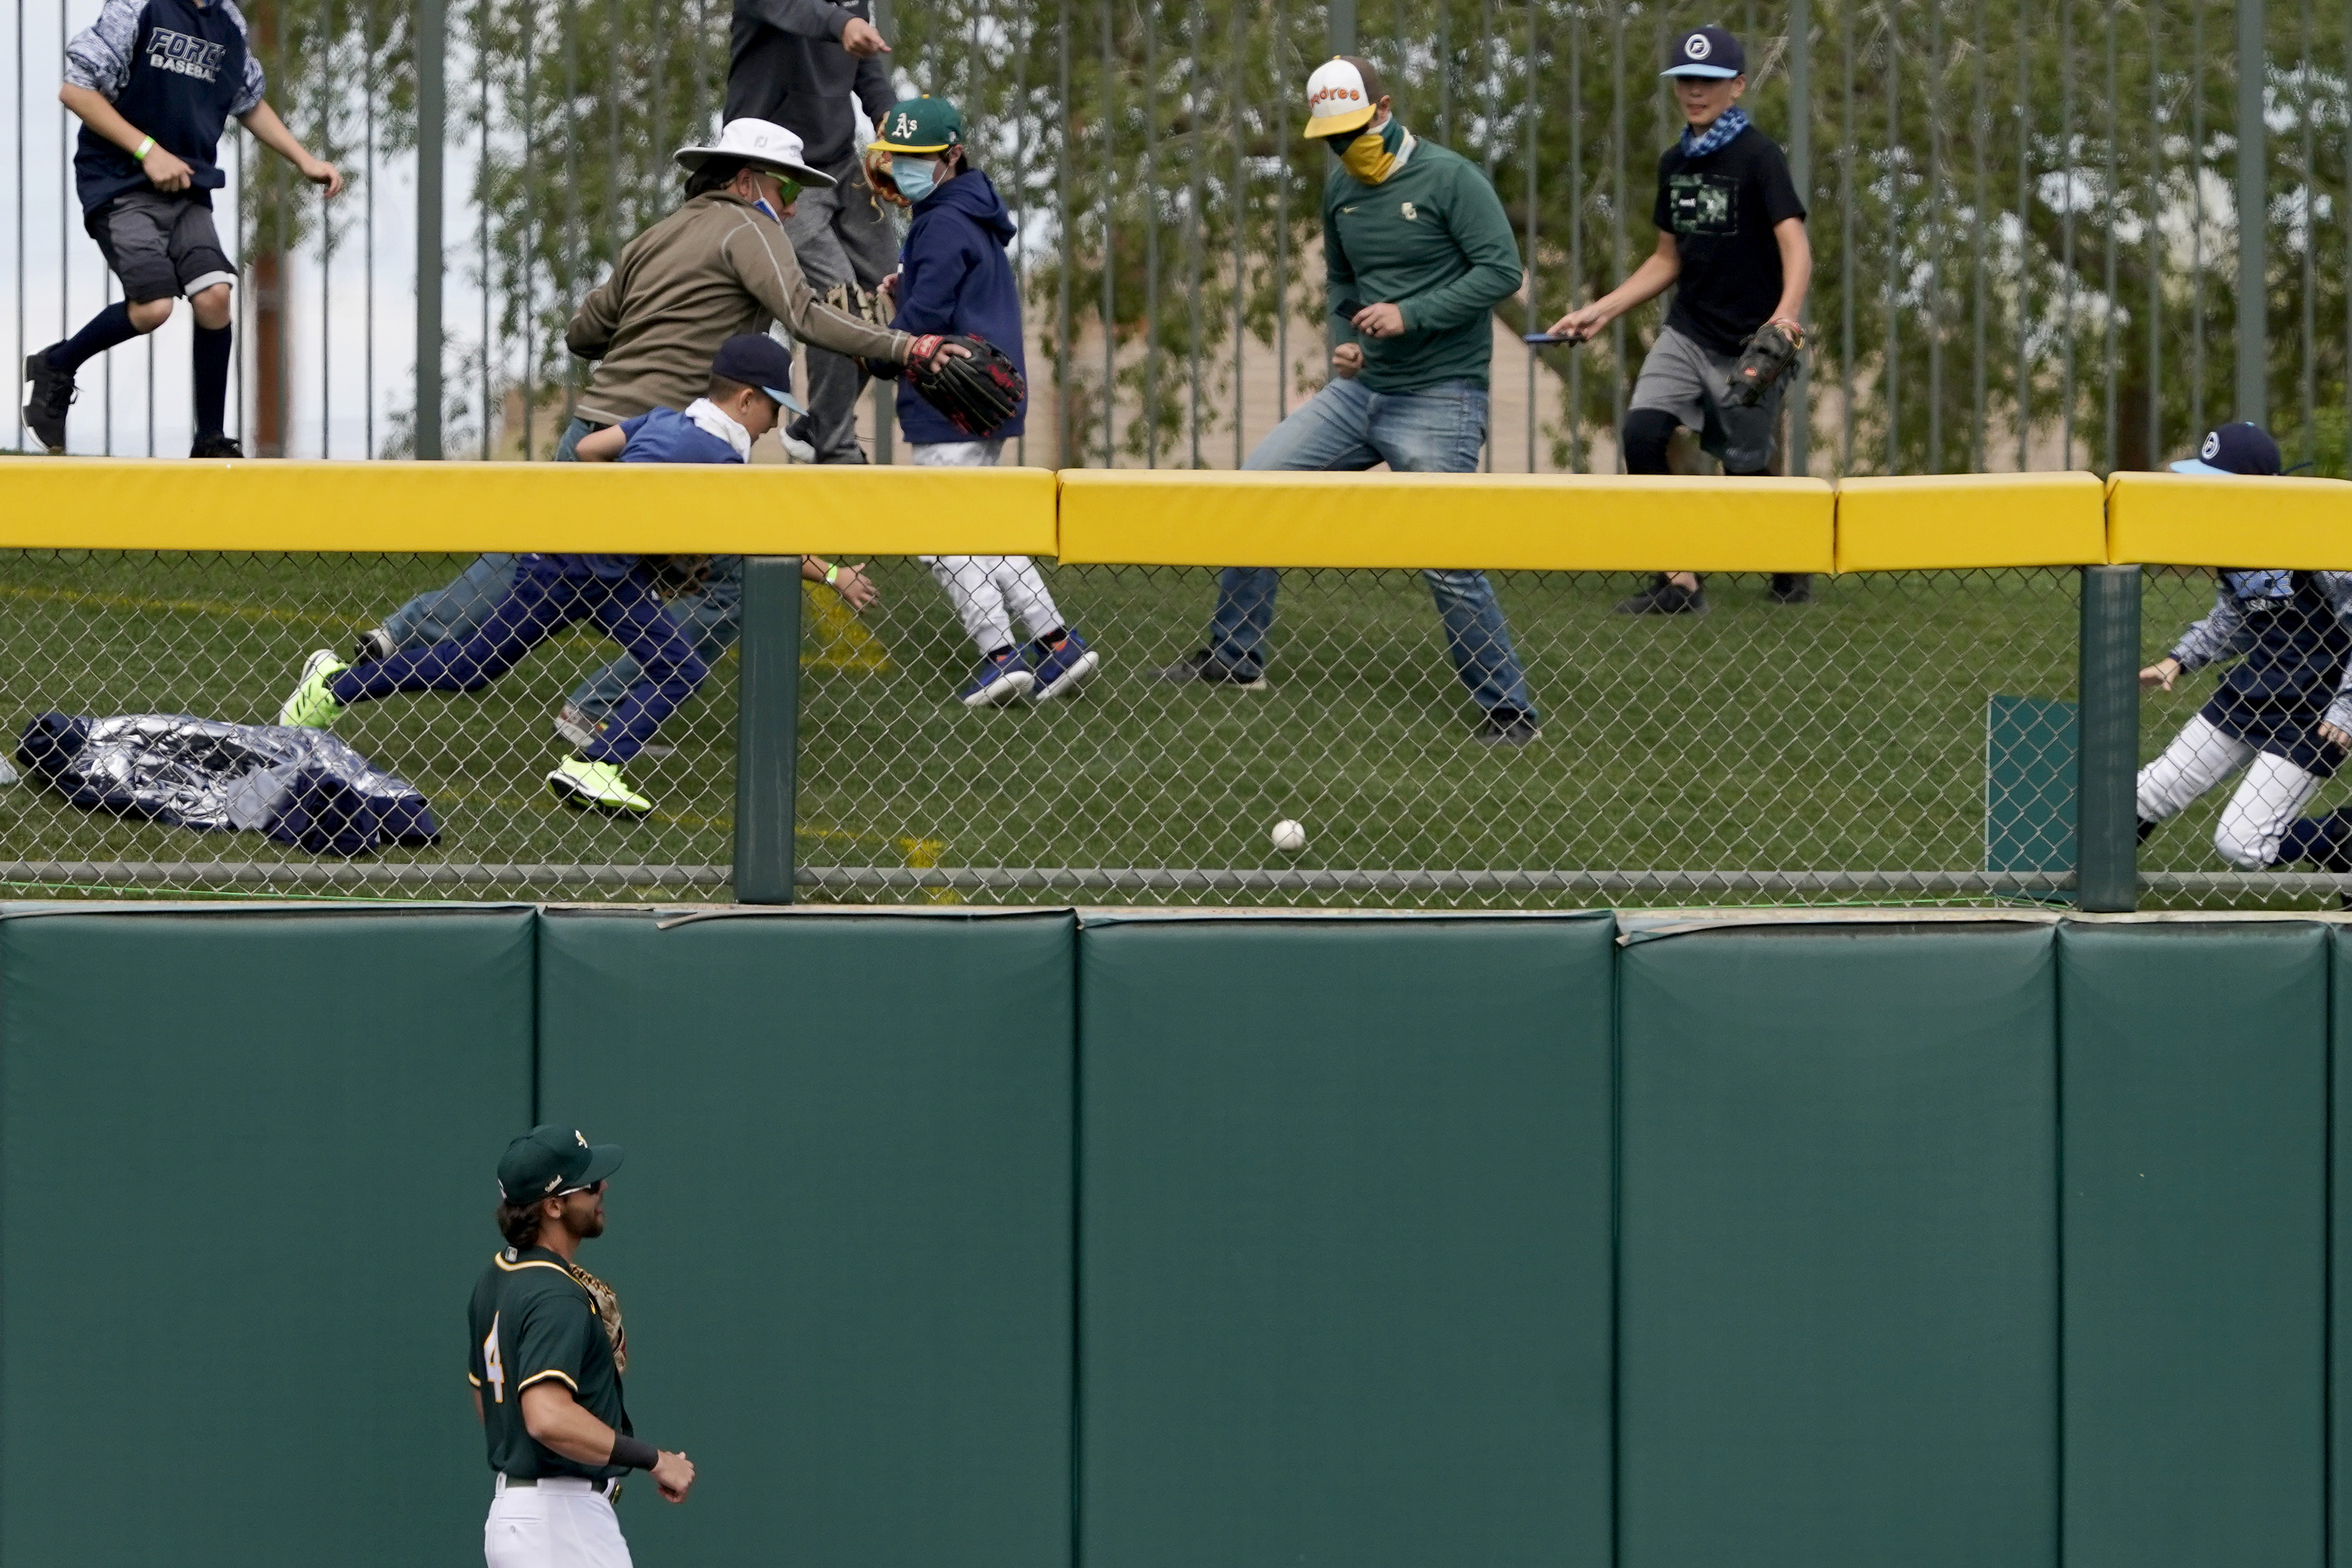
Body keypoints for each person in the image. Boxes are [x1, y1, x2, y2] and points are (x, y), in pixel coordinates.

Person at [353, 117, 939, 753]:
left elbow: (583, 333)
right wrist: (909, 346)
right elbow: (803, 315)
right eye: (788, 191)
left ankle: (394, 637)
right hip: (663, 450)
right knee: (731, 583)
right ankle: (599, 710)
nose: (793, 207)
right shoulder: (753, 227)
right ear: (747, 181)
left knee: (525, 562)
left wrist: (654, 321)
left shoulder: (656, 236)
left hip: (592, 429)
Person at [1154, 53, 1541, 747]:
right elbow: (1343, 286)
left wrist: (1410, 314)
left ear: (1385, 110)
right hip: (1360, 390)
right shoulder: (1342, 189)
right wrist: (1349, 343)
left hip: (1442, 394)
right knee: (1257, 490)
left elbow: (1502, 273)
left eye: (1355, 130)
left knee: (1445, 554)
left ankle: (1509, 709)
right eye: (1332, 136)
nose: (1344, 146)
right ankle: (1236, 656)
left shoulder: (1452, 177)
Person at [271, 335, 806, 816]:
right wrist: (825, 570)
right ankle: (591, 764)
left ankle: (594, 764)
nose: (775, 426)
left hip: (588, 569)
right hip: (583, 574)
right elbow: (750, 539)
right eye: (772, 410)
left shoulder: (667, 420)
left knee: (489, 667)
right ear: (745, 400)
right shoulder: (718, 460)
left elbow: (589, 449)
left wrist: (615, 514)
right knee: (664, 669)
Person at [1549, 24, 1813, 615]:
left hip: (1750, 340)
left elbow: (1796, 248)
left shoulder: (1759, 157)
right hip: (1688, 331)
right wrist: (1600, 312)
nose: (1696, 91)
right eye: (1687, 80)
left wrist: (1785, 320)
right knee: (1642, 434)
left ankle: (1791, 560)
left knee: (1744, 468)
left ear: (1737, 86)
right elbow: (1667, 257)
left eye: (1711, 80)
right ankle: (1680, 582)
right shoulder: (1676, 163)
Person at [25, 0, 342, 456]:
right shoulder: (140, 8)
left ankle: (209, 439)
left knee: (215, 296)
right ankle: (55, 365)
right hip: (120, 186)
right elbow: (76, 91)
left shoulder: (227, 23)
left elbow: (248, 101)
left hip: (187, 190)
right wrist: (146, 151)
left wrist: (306, 160)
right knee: (154, 307)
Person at [868, 95, 1102, 706]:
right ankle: (1057, 646)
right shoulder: (968, 213)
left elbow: (927, 317)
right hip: (980, 401)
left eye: (917, 157)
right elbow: (944, 299)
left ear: (951, 155)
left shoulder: (940, 222)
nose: (903, 168)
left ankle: (1000, 656)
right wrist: (908, 298)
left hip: (949, 401)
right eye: (897, 156)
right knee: (982, 532)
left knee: (945, 539)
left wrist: (879, 343)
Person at [471, 1124, 695, 1568]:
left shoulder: (496, 1280)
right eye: (590, 1185)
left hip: (518, 1515)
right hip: (561, 1521)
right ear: (554, 1206)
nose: (603, 1187)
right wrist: (655, 1460)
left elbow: (486, 1396)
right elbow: (547, 1416)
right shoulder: (556, 1295)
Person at [2135, 423, 2352, 873]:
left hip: (2318, 711)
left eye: (2219, 484)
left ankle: (2345, 838)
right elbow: (2237, 617)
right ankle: (2079, 886)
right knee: (2147, 792)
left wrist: (2347, 708)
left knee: (2243, 844)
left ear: (2258, 488)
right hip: (2254, 692)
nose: (2206, 495)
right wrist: (2180, 658)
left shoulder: (2318, 537)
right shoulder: (2233, 535)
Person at [727, 0, 899, 464]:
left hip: (840, 159)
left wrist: (890, 117)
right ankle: (835, 448)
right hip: (775, 170)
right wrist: (843, 24)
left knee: (897, 291)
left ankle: (818, 423)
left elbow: (863, 60)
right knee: (836, 299)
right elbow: (795, 12)